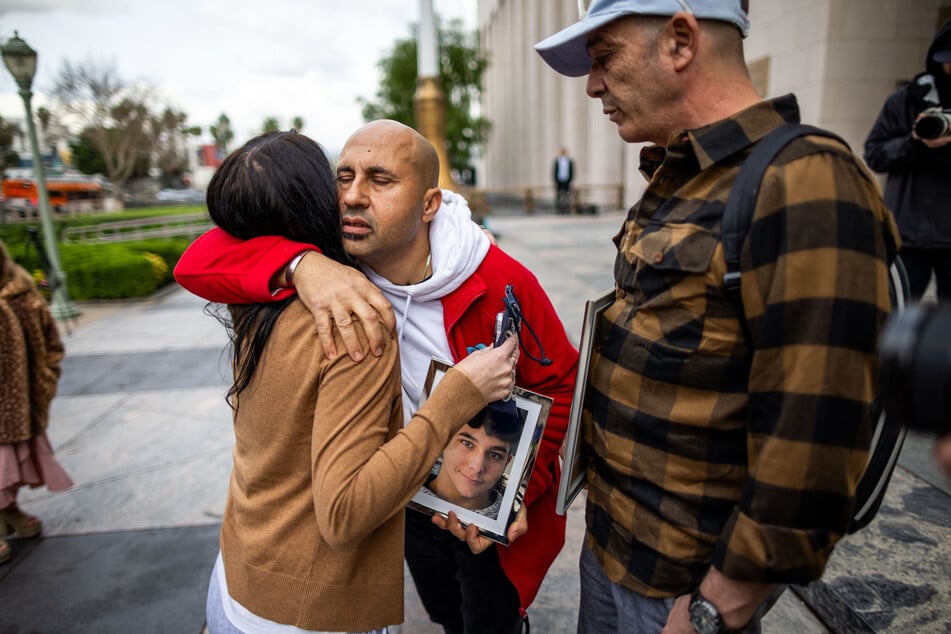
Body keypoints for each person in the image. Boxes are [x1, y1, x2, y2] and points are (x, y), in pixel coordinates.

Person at [533, 1, 901, 633]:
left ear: (680, 42)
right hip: (614, 555)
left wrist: (713, 607)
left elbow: (817, 432)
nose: (592, 85)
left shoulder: (805, 180)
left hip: (684, 593)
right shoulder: (682, 175)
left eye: (604, 58)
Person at [174, 120, 579, 634]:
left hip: (481, 499)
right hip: (398, 494)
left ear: (429, 203)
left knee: (491, 618)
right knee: (444, 612)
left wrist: (522, 486)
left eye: (380, 180)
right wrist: (301, 265)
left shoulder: (499, 279)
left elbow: (562, 383)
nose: (353, 196)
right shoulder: (340, 265)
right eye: (343, 177)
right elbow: (196, 263)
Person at [864, 18, 951, 301]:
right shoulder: (904, 101)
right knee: (896, 313)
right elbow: (875, 154)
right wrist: (916, 142)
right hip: (909, 234)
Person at [0, 240, 73, 565]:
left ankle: (7, 509)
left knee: (14, 461)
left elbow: (50, 340)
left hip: (21, 402)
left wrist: (46, 375)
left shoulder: (21, 292)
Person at [424, 405, 524, 518]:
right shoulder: (404, 491)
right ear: (444, 438)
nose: (477, 466)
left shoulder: (512, 520)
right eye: (467, 444)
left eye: (495, 455)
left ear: (506, 463)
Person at [553, 147, 575, 214]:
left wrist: (570, 179)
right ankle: (559, 209)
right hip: (559, 180)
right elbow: (555, 171)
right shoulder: (557, 161)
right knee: (559, 195)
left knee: (567, 195)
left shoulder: (569, 161)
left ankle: (567, 208)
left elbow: (572, 171)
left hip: (567, 180)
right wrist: (556, 180)